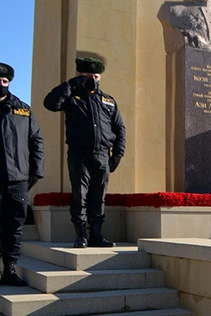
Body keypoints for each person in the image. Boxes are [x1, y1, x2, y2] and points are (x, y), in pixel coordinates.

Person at [44, 57, 125, 248]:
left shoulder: (108, 101)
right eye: (89, 76)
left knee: (98, 197)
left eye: (96, 76)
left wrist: (118, 155)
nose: (94, 80)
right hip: (80, 155)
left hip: (103, 155)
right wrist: (71, 84)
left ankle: (96, 234)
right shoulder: (72, 97)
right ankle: (81, 235)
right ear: (81, 77)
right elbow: (50, 103)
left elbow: (120, 128)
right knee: (79, 196)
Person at [0, 63, 44, 286]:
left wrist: (36, 170)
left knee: (14, 226)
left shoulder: (22, 109)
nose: (1, 84)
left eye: (5, 81)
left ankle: (9, 269)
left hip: (16, 178)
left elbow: (36, 140)